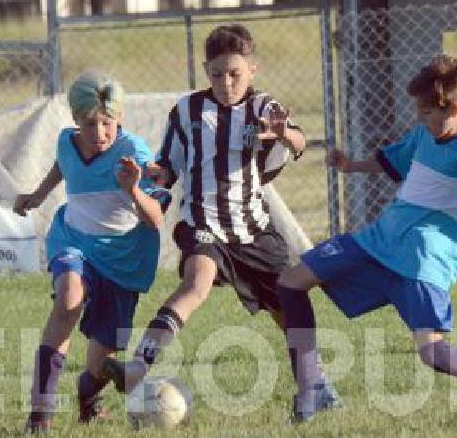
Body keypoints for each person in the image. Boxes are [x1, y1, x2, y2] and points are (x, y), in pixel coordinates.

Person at [276, 54, 457, 423]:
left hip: (420, 264)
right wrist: (351, 166)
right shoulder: (423, 135)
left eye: (428, 113)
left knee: (432, 354)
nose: (421, 119)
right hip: (376, 243)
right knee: (291, 282)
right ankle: (312, 389)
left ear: (454, 107)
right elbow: (392, 162)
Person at [101, 24, 340, 409]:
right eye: (216, 74)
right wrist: (147, 177)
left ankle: (315, 388)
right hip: (202, 223)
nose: (226, 83)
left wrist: (282, 133)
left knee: (288, 304)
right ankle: (136, 368)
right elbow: (168, 168)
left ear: (252, 70)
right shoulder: (187, 111)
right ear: (205, 69)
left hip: (253, 229)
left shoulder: (264, 107)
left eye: (235, 74)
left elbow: (297, 141)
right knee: (197, 284)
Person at [14, 71, 170, 434]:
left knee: (102, 362)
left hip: (122, 260)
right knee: (68, 298)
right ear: (75, 120)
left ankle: (90, 398)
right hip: (74, 239)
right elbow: (62, 165)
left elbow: (156, 219)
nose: (99, 133)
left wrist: (134, 189)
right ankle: (41, 413)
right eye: (89, 124)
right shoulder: (67, 142)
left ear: (120, 120)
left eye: (107, 123)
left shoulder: (134, 153)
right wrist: (38, 195)